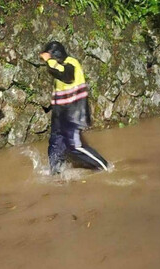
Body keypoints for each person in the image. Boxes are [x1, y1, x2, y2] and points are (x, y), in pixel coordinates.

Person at [40, 41, 109, 175]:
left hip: (73, 113)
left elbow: (66, 76)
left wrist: (49, 60)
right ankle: (56, 173)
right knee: (55, 143)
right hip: (60, 114)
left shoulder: (71, 63)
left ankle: (106, 167)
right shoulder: (59, 68)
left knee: (75, 146)